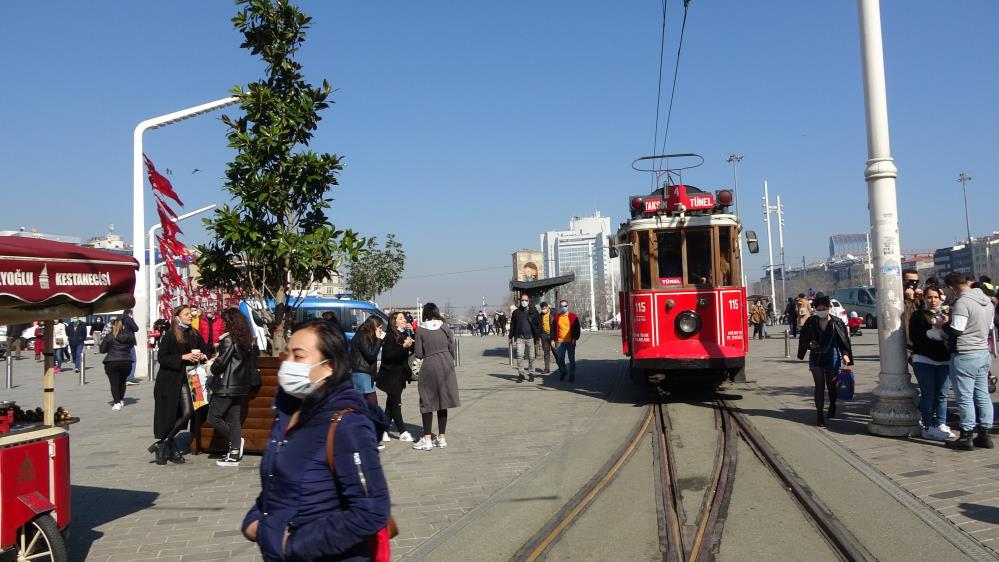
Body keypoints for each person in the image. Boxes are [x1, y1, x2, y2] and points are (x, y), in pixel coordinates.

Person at [242, 319, 391, 560]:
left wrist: (291, 545)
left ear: (329, 366)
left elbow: (371, 510)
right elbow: (278, 483)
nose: (287, 363)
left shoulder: (347, 423)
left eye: (298, 356)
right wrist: (255, 523)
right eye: (287, 354)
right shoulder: (287, 411)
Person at [943, 273, 995, 451]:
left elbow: (956, 330)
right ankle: (985, 435)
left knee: (965, 397)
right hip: (982, 352)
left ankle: (966, 436)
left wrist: (941, 325)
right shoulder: (987, 301)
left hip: (965, 354)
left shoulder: (963, 302)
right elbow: (989, 328)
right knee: (982, 395)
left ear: (952, 287)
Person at [150, 305, 207, 466]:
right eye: (187, 314)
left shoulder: (194, 333)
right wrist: (183, 357)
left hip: (192, 379)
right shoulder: (170, 335)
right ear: (177, 317)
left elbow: (205, 350)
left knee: (188, 412)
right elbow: (163, 358)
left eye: (191, 314)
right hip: (172, 380)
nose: (190, 316)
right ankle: (169, 446)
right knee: (175, 414)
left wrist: (202, 355)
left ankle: (163, 444)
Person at [206, 308, 257, 467]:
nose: (222, 323)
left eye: (224, 320)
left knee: (213, 418)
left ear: (229, 322)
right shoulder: (245, 340)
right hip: (240, 386)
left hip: (227, 386)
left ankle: (236, 442)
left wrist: (212, 367)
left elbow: (221, 364)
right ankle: (234, 454)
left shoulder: (229, 340)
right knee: (233, 419)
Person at [797, 295, 853, 427]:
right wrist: (809, 344)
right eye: (819, 308)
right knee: (819, 386)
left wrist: (845, 354)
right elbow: (804, 338)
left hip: (832, 354)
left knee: (831, 385)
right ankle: (819, 415)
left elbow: (843, 340)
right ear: (815, 309)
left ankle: (832, 405)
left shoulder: (837, 322)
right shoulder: (811, 321)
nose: (822, 310)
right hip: (816, 356)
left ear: (829, 308)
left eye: (824, 308)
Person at [412, 303, 459, 451]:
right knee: (442, 401)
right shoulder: (444, 326)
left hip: (430, 365)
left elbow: (419, 353)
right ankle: (442, 438)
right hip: (446, 364)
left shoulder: (420, 329)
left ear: (424, 313)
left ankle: (427, 439)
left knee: (427, 401)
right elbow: (452, 347)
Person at [909, 286, 954, 441]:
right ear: (924, 298)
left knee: (942, 394)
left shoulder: (947, 314)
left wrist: (945, 326)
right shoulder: (918, 316)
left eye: (935, 297)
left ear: (940, 298)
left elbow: (953, 334)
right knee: (928, 393)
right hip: (923, 359)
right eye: (929, 297)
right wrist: (933, 330)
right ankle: (928, 425)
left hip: (944, 360)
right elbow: (916, 337)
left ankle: (941, 423)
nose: (933, 300)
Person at [377, 312, 415, 442]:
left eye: (404, 318)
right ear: (394, 322)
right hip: (390, 375)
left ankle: (382, 430)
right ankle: (403, 431)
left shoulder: (404, 333)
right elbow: (388, 356)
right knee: (396, 403)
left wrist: (413, 333)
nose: (404, 320)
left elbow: (414, 348)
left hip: (400, 374)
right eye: (401, 318)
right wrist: (403, 347)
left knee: (391, 404)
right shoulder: (390, 336)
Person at [100, 317, 136, 411]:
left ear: (113, 326)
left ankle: (117, 403)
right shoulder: (129, 336)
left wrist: (109, 348)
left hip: (112, 361)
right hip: (126, 361)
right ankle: (121, 399)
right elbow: (131, 346)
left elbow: (102, 350)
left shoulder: (109, 336)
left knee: (114, 383)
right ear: (123, 326)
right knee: (122, 381)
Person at [508, 294, 541, 382]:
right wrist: (510, 336)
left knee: (531, 357)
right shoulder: (516, 312)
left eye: (526, 300)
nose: (524, 302)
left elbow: (538, 325)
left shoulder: (533, 311)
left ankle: (531, 374)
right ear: (520, 301)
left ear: (528, 301)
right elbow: (513, 325)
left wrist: (537, 337)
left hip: (531, 338)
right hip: (520, 338)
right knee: (519, 356)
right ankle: (521, 374)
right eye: (522, 300)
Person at [551, 300, 581, 383]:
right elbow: (553, 330)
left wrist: (575, 338)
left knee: (571, 358)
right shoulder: (557, 318)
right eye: (562, 306)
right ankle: (564, 372)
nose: (563, 307)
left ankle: (572, 375)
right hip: (560, 342)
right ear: (560, 307)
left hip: (570, 341)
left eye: (565, 306)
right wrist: (553, 339)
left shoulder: (573, 317)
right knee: (560, 358)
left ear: (567, 306)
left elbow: (577, 329)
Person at [902, 268, 920, 349]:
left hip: (919, 340)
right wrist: (909, 300)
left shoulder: (918, 297)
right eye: (910, 281)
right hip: (905, 341)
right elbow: (906, 317)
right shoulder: (898, 297)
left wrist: (922, 299)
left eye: (916, 281)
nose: (914, 283)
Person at [539, 302, 554, 373]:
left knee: (556, 352)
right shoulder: (541, 315)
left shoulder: (553, 313)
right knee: (546, 352)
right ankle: (546, 368)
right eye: (542, 309)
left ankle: (561, 367)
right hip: (544, 335)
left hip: (552, 335)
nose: (543, 310)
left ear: (548, 307)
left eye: (544, 308)